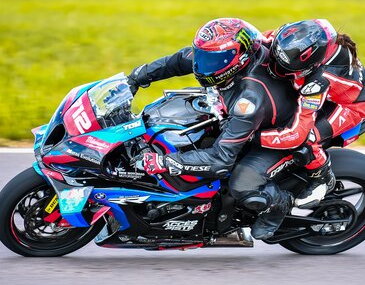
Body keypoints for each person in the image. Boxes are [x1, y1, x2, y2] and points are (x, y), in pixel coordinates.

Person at [127, 17, 298, 240]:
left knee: (242, 185)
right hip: (243, 117)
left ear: (240, 58)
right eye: (202, 56)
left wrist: (164, 162)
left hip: (276, 136)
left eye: (212, 60)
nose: (202, 65)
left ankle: (279, 203)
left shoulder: (250, 99)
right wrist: (137, 77)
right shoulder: (220, 58)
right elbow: (181, 59)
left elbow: (219, 160)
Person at [258, 19, 365, 208]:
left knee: (307, 138)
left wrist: (254, 137)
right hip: (333, 89)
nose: (277, 67)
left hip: (351, 107)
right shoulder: (287, 38)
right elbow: (260, 44)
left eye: (284, 67)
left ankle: (322, 178)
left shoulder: (318, 80)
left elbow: (296, 135)